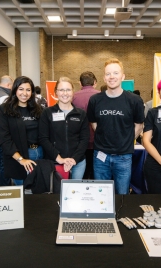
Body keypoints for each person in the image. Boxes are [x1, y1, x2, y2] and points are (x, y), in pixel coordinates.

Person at [87, 58, 144, 194]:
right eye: (108, 74)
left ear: (123, 76)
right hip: (100, 156)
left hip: (124, 156)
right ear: (104, 78)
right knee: (101, 195)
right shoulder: (95, 100)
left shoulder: (134, 100)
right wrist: (104, 136)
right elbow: (94, 123)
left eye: (116, 73)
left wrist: (127, 140)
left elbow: (139, 125)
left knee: (122, 194)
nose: (112, 77)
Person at [39, 77, 89, 179]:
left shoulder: (81, 114)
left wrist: (74, 159)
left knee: (75, 192)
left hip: (77, 162)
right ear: (56, 92)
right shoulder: (47, 112)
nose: (65, 93)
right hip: (54, 161)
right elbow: (43, 138)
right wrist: (59, 159)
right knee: (57, 193)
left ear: (73, 91)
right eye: (61, 90)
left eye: (68, 90)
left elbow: (84, 139)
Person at [0, 76, 43, 186]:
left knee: (38, 189)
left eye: (28, 90)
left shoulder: (38, 110)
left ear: (32, 92)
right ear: (15, 90)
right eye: (21, 89)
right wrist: (21, 159)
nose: (24, 93)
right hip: (18, 155)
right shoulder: (4, 110)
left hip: (39, 153)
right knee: (21, 190)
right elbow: (4, 139)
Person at [72, 71, 100, 179]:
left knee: (80, 175)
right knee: (95, 174)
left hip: (78, 144)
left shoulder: (72, 97)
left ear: (80, 83)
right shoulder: (101, 97)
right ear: (95, 82)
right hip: (97, 142)